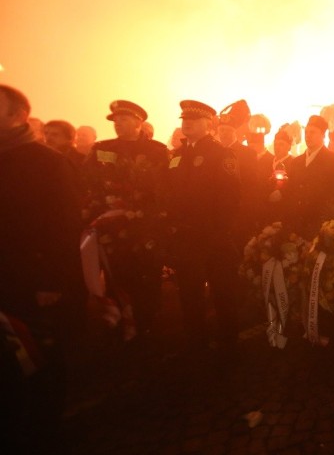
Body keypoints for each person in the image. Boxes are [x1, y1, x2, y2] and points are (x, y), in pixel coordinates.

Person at [1, 85, 85, 452]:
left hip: (34, 285)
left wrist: (51, 282)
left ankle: (45, 437)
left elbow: (63, 228)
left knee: (41, 367)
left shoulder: (47, 162)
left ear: (18, 115)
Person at [82, 100, 170, 337]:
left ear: (139, 122)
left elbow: (165, 191)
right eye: (115, 120)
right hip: (112, 227)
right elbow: (89, 184)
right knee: (117, 276)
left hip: (146, 228)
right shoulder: (102, 148)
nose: (118, 124)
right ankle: (120, 322)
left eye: (124, 119)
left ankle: (149, 323)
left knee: (148, 276)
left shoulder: (158, 151)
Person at [165, 100, 241, 353]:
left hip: (213, 238)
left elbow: (230, 198)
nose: (187, 123)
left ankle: (228, 345)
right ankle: (195, 345)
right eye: (184, 119)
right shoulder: (177, 155)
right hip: (186, 238)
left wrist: (218, 232)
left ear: (209, 125)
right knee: (190, 295)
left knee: (222, 295)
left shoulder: (221, 154)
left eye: (194, 120)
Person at [280, 114, 334, 238]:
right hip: (295, 226)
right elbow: (291, 192)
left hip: (319, 226)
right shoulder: (296, 162)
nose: (308, 136)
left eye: (312, 132)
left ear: (323, 135)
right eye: (306, 132)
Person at [218, 100, 260, 245]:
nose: (224, 134)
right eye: (221, 130)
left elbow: (251, 187)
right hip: (215, 215)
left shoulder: (247, 153)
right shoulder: (212, 151)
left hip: (238, 215)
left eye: (227, 130)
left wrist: (244, 217)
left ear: (235, 131)